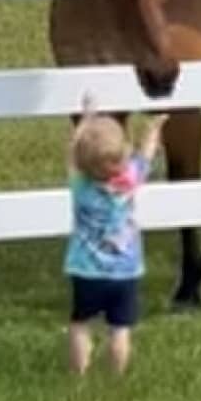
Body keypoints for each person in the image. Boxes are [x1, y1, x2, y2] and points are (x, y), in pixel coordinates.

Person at [64, 91, 167, 376]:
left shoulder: (80, 186)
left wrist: (85, 121)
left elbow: (72, 154)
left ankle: (78, 374)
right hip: (124, 271)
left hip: (85, 269)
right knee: (120, 329)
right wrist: (154, 128)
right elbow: (146, 153)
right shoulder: (129, 182)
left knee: (79, 323)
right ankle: (117, 375)